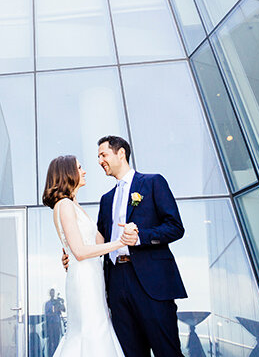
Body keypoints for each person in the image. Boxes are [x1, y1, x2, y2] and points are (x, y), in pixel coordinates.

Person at [92, 135, 188, 357]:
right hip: (116, 283)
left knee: (167, 351)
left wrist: (140, 237)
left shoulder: (153, 182)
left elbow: (175, 227)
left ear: (121, 153)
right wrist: (74, 255)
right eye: (98, 157)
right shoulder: (106, 199)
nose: (100, 161)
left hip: (151, 282)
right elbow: (99, 241)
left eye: (103, 154)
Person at [42, 154, 134, 357]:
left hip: (93, 277)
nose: (84, 171)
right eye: (79, 167)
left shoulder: (73, 205)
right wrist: (121, 243)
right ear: (68, 173)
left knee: (98, 328)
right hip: (84, 280)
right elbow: (80, 251)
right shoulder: (64, 205)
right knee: (91, 331)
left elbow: (96, 242)